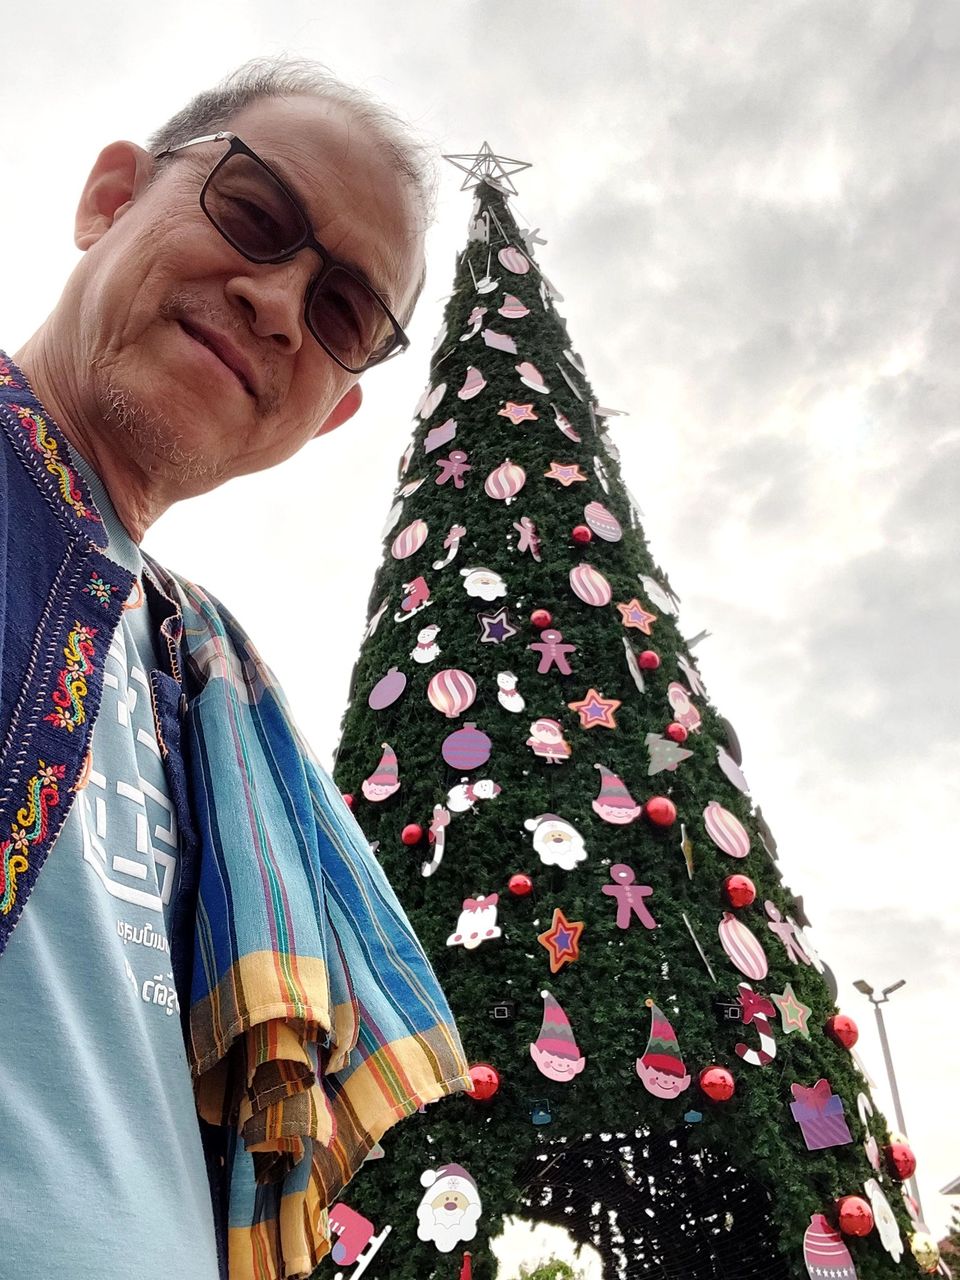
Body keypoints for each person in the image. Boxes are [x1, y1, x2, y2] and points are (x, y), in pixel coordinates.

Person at [0, 58, 468, 1280]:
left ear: (329, 412)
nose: (277, 305)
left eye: (341, 314)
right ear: (110, 199)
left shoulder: (202, 681)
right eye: (255, 214)